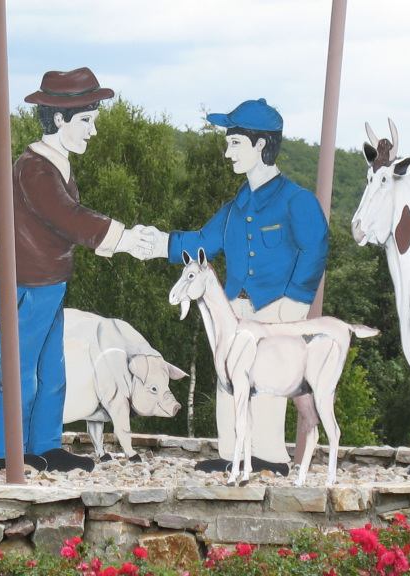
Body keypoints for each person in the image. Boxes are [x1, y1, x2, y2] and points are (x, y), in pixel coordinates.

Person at [0, 67, 155, 474]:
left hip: (48, 281)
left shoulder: (53, 162)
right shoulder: (35, 168)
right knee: (21, 370)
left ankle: (44, 446)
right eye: (86, 121)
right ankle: (4, 452)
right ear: (58, 119)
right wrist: (124, 238)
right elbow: (68, 217)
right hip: (26, 283)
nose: (92, 132)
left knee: (51, 370)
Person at [149, 98, 329, 475]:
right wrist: (152, 242)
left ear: (261, 145)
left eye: (234, 143)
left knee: (267, 385)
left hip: (276, 312)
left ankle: (269, 457)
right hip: (235, 311)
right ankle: (232, 453)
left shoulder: (298, 201)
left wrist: (292, 305)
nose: (226, 151)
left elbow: (315, 251)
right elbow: (201, 242)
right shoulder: (234, 208)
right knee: (227, 382)